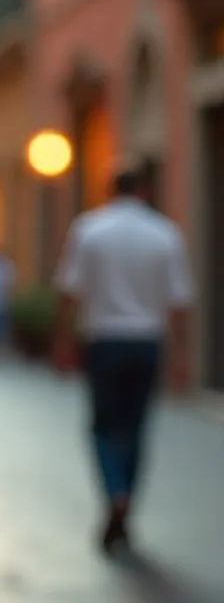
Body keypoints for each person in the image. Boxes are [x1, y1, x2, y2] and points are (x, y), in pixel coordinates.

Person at [55, 165, 194, 554]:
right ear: (145, 190)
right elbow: (180, 303)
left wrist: (63, 341)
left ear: (109, 188)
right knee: (135, 428)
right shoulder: (165, 233)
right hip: (147, 341)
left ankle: (115, 494)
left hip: (103, 341)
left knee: (102, 427)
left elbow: (68, 291)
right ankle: (127, 501)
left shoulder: (89, 229)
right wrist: (182, 356)